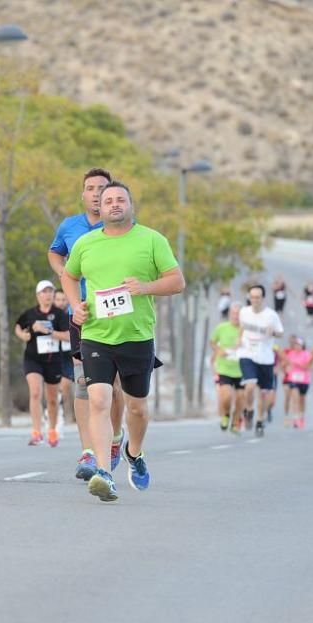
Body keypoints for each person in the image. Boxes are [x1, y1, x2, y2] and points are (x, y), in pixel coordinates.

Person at [62, 180, 184, 502]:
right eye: (108, 200)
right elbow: (69, 275)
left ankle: (134, 453)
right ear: (98, 209)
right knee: (99, 400)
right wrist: (76, 305)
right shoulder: (85, 244)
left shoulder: (152, 240)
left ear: (131, 206)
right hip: (96, 336)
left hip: (137, 336)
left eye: (120, 199)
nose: (114, 204)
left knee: (137, 408)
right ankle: (104, 473)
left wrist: (144, 287)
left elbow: (176, 281)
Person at [47, 167, 127, 482]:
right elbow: (54, 253)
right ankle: (89, 451)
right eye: (91, 188)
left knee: (115, 388)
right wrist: (64, 274)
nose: (96, 193)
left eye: (102, 188)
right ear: (83, 194)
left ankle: (116, 436)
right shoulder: (70, 227)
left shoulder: (124, 229)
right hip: (83, 316)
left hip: (118, 317)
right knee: (84, 384)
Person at [15, 280, 71, 447]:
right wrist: (23, 335)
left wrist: (50, 332)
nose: (48, 295)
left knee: (52, 399)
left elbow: (68, 336)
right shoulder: (31, 314)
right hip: (33, 358)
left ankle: (52, 430)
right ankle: (36, 432)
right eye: (44, 292)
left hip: (53, 360)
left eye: (50, 292)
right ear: (38, 295)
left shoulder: (59, 315)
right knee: (35, 392)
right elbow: (18, 326)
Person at [236, 284, 285, 438]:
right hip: (247, 353)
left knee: (263, 395)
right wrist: (238, 339)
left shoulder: (271, 315)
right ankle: (249, 410)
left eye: (258, 297)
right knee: (249, 386)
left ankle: (260, 420)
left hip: (265, 357)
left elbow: (281, 333)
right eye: (252, 297)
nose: (255, 300)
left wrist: (274, 332)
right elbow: (242, 327)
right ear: (249, 298)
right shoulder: (243, 312)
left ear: (263, 298)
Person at [209, 303, 244, 432]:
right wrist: (219, 351)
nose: (236, 316)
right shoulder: (222, 328)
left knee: (241, 397)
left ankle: (236, 419)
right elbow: (212, 342)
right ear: (229, 314)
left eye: (238, 314)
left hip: (241, 369)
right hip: (225, 369)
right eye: (234, 314)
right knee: (226, 396)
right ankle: (226, 414)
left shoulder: (245, 330)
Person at [53, 289, 76, 428]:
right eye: (58, 300)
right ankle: (55, 414)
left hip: (69, 355)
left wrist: (52, 333)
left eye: (63, 300)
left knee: (65, 387)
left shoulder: (71, 315)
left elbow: (69, 336)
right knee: (56, 387)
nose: (61, 303)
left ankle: (62, 413)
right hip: (53, 354)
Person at [280, 335, 312, 429]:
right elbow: (284, 363)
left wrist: (299, 365)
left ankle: (301, 417)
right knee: (295, 397)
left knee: (302, 399)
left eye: (299, 345)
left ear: (302, 346)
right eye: (296, 345)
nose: (297, 347)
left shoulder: (306, 354)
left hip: (304, 380)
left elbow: (309, 367)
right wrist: (285, 368)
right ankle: (295, 418)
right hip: (293, 379)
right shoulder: (290, 354)